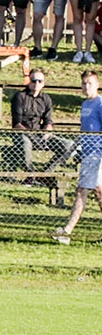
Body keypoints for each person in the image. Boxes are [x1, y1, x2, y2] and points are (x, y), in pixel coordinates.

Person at [52, 71, 102, 245]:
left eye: (89, 83)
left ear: (97, 84)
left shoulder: (100, 104)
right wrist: (74, 147)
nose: (86, 87)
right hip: (87, 153)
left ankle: (67, 231)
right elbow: (84, 129)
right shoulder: (84, 104)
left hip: (97, 154)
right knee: (98, 192)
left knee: (82, 191)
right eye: (83, 83)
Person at [11, 67, 76, 177]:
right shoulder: (20, 96)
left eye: (40, 81)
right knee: (25, 143)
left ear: (43, 83)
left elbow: (48, 121)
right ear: (29, 81)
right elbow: (17, 123)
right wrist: (30, 134)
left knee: (68, 146)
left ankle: (45, 174)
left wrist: (46, 132)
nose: (36, 83)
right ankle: (31, 175)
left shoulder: (46, 99)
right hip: (22, 133)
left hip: (40, 134)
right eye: (34, 80)